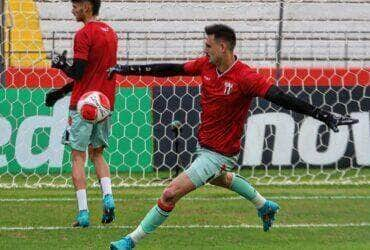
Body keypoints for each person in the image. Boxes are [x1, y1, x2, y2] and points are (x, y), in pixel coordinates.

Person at [108, 24, 358, 249]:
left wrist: (324, 115)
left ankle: (131, 241)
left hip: (219, 154)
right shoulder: (206, 66)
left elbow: (282, 97)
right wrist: (127, 69)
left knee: (170, 193)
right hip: (205, 147)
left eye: (208, 46)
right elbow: (171, 69)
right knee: (220, 180)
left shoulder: (245, 77)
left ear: (222, 46)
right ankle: (264, 205)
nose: (204, 50)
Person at [45, 0, 118, 227]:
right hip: (104, 103)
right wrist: (60, 92)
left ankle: (83, 213)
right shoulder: (111, 33)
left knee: (78, 156)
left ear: (86, 6)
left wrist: (61, 64)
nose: (72, 9)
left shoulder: (84, 34)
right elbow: (90, 73)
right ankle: (108, 197)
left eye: (75, 5)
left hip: (83, 105)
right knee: (98, 154)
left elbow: (78, 72)